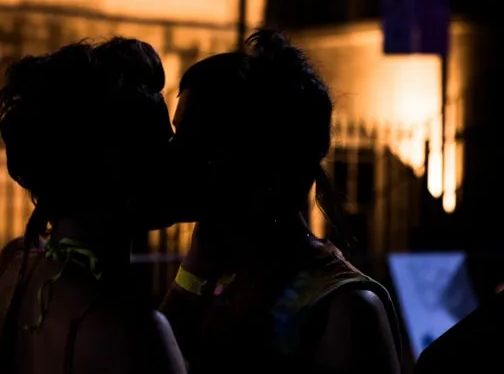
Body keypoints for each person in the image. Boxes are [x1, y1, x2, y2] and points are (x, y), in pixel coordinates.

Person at [159, 29, 402, 374]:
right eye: (177, 132)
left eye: (196, 138)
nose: (174, 153)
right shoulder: (216, 274)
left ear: (260, 159)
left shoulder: (344, 310)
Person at [0, 38, 186, 374]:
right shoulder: (135, 332)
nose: (175, 160)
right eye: (158, 147)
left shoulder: (10, 267)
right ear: (117, 167)